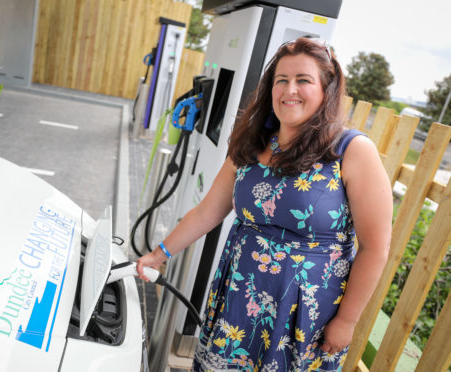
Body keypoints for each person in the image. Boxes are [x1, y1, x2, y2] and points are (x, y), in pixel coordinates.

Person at [137, 37, 392, 371]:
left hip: (304, 313)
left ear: (327, 89)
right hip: (239, 297)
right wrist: (159, 254)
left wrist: (347, 321)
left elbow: (375, 247)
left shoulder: (352, 150)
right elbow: (207, 211)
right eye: (281, 80)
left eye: (304, 80)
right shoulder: (252, 142)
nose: (290, 90)